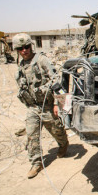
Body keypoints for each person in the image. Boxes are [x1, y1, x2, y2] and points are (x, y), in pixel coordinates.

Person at [14, 33, 69, 179]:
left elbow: (56, 81)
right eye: (20, 48)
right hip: (32, 107)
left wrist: (59, 104)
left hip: (47, 105)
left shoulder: (42, 60)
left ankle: (63, 144)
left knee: (57, 130)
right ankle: (36, 163)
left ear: (30, 46)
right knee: (32, 135)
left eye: (26, 47)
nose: (24, 50)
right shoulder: (21, 65)